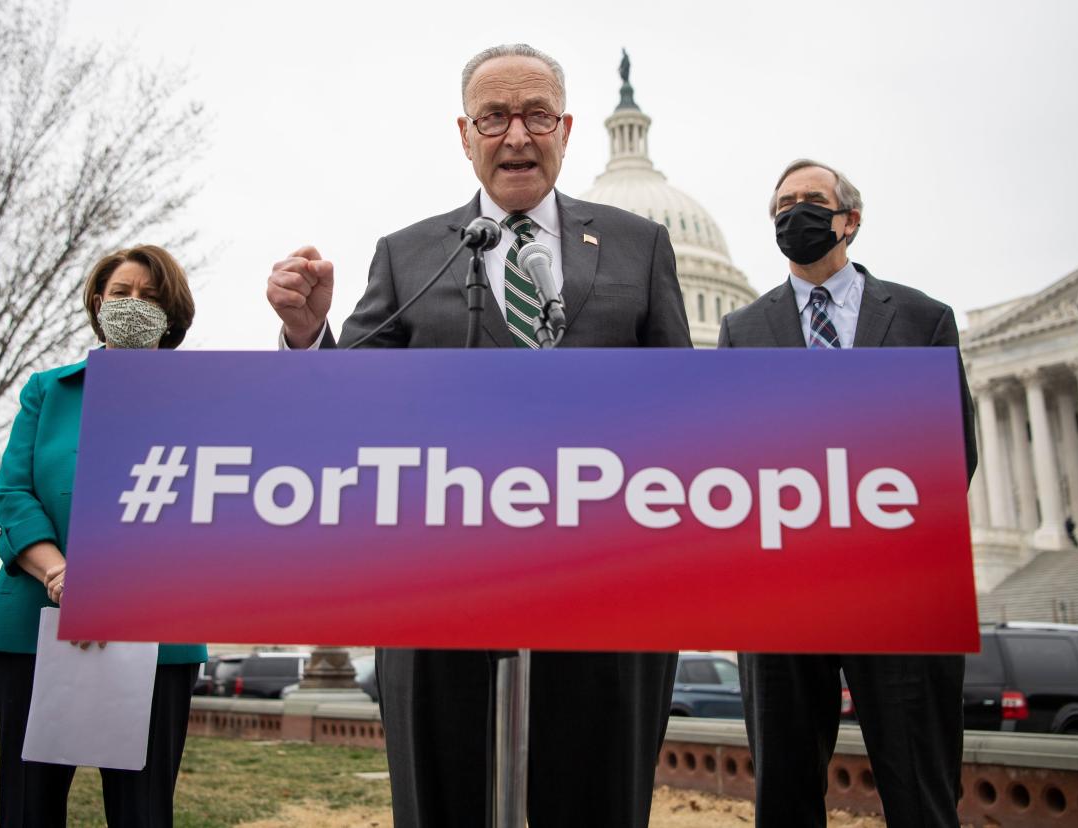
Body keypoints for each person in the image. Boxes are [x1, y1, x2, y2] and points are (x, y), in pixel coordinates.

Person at [266, 43, 690, 828]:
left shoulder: (640, 245)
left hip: (609, 594)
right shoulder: (409, 254)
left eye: (535, 115)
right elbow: (343, 406)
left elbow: (689, 413)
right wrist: (308, 334)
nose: (516, 136)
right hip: (439, 592)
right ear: (465, 135)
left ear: (566, 129)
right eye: (495, 117)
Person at [718, 159, 978, 828]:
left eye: (810, 200)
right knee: (786, 792)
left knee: (920, 785)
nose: (792, 213)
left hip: (897, 586)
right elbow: (727, 456)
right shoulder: (742, 331)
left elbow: (956, 446)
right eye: (781, 204)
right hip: (782, 591)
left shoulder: (921, 317)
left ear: (849, 220)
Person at [0, 245, 206, 828]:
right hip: (35, 625)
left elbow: (212, 504)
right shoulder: (47, 391)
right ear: (98, 303)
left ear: (172, 311)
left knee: (143, 810)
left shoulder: (205, 397)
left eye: (150, 296)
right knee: (28, 807)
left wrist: (116, 583)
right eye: (122, 293)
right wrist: (60, 572)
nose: (133, 305)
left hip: (157, 630)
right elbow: (14, 493)